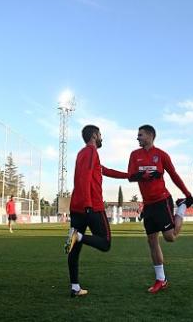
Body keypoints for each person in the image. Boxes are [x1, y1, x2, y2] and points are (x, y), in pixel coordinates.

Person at [127, 124, 193, 294]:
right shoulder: (134, 155)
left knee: (170, 237)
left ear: (150, 136)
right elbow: (130, 176)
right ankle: (161, 279)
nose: (138, 138)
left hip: (162, 200)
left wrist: (187, 195)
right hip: (148, 204)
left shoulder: (162, 155)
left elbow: (174, 175)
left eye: (140, 135)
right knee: (151, 240)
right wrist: (145, 175)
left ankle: (181, 208)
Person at [64, 125, 128, 297]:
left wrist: (128, 175)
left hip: (77, 206)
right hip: (91, 206)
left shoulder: (83, 153)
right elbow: (84, 177)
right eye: (100, 134)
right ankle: (78, 236)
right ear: (94, 135)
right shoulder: (91, 152)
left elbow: (105, 171)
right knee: (105, 243)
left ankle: (75, 287)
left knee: (74, 250)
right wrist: (88, 204)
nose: (101, 137)